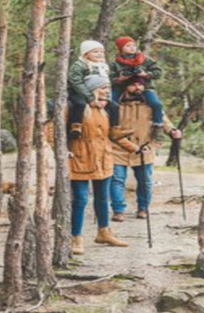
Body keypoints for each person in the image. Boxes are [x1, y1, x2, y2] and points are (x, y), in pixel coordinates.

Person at [68, 73, 137, 255]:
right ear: (91, 90)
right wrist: (61, 151)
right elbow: (51, 130)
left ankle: (104, 233)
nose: (107, 91)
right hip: (80, 158)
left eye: (108, 88)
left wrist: (135, 149)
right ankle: (75, 238)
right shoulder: (75, 107)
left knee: (102, 198)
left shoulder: (106, 109)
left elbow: (112, 136)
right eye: (103, 88)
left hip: (103, 159)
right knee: (81, 199)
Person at [110, 79, 181, 222]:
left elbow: (163, 120)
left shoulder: (151, 105)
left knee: (145, 181)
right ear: (126, 87)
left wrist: (172, 130)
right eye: (134, 84)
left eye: (140, 85)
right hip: (118, 147)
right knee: (117, 180)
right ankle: (118, 210)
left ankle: (143, 208)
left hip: (145, 148)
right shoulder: (115, 104)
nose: (137, 87)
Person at [109, 36, 165, 137]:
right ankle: (112, 126)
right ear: (121, 48)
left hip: (144, 87)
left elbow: (158, 72)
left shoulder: (146, 60)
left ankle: (158, 126)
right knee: (111, 103)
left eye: (134, 45)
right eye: (128, 46)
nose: (132, 48)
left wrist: (145, 74)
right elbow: (108, 77)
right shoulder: (115, 63)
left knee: (156, 104)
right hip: (121, 87)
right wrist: (120, 78)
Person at [68, 40, 115, 140]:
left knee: (114, 106)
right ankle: (76, 126)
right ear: (86, 54)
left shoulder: (103, 66)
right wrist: (90, 98)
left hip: (99, 93)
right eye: (95, 52)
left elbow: (107, 82)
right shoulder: (79, 65)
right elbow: (77, 83)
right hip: (77, 92)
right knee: (80, 104)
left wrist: (106, 99)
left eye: (101, 52)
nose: (99, 54)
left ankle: (115, 129)